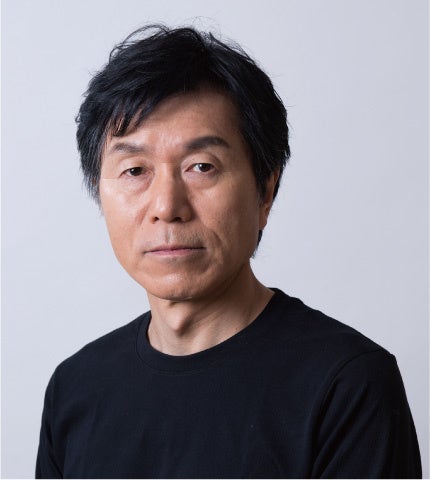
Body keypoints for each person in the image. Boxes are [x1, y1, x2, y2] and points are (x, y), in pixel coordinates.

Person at [36, 25, 421, 479]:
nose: (167, 207)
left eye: (202, 167)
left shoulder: (346, 386)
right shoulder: (75, 389)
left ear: (265, 192)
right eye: (135, 170)